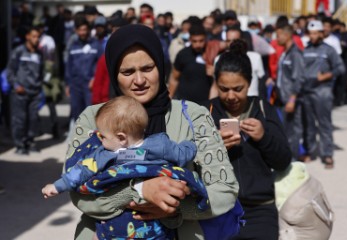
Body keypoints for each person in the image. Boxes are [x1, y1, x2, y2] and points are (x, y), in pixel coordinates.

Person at [65, 24, 239, 240]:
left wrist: (174, 207)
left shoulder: (194, 116)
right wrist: (138, 192)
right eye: (127, 72)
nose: (139, 81)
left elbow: (225, 190)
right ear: (114, 74)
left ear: (161, 67)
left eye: (147, 68)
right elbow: (75, 191)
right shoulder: (92, 118)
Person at [43, 96, 208, 240]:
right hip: (152, 223)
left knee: (100, 235)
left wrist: (58, 186)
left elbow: (82, 171)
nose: (98, 139)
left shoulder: (106, 154)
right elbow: (182, 154)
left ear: (121, 137)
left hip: (117, 225)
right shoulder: (160, 145)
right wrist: (191, 145)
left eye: (101, 135)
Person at [203, 39, 292, 240]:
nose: (231, 96)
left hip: (260, 211)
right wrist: (212, 146)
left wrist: (263, 137)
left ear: (250, 83)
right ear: (216, 83)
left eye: (238, 88)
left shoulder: (263, 109)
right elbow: (188, 161)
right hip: (216, 212)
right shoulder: (204, 112)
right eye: (224, 89)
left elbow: (283, 160)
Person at [302, 20, 345, 168]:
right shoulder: (304, 50)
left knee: (324, 124)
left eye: (316, 33)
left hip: (323, 91)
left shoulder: (329, 50)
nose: (313, 36)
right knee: (308, 124)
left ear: (321, 33)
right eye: (311, 33)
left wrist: (326, 76)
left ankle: (327, 154)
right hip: (307, 91)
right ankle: (310, 151)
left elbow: (340, 68)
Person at [7, 26, 44, 155]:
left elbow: (41, 72)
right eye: (34, 36)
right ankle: (20, 145)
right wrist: (16, 85)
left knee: (33, 119)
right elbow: (10, 71)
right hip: (20, 92)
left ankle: (30, 142)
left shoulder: (39, 54)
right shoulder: (18, 51)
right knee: (20, 119)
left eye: (38, 37)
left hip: (34, 92)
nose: (36, 39)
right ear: (27, 36)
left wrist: (39, 86)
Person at [274, 24, 306, 161]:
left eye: (278, 35)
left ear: (287, 35)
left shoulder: (295, 54)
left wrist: (292, 99)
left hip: (290, 99)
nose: (276, 39)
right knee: (286, 130)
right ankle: (289, 159)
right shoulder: (285, 53)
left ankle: (293, 160)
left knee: (293, 132)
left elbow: (299, 78)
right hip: (282, 98)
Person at [65, 17, 102, 121]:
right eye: (80, 30)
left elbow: (101, 65)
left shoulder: (96, 45)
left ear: (88, 30)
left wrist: (95, 79)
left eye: (85, 29)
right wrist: (68, 84)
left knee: (91, 114)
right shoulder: (73, 46)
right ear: (76, 31)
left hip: (90, 86)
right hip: (75, 86)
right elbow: (69, 66)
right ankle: (80, 136)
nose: (83, 32)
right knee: (77, 114)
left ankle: (92, 136)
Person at [168, 24, 212, 104]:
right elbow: (174, 78)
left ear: (205, 39)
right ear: (190, 39)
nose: (198, 44)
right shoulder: (183, 54)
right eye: (194, 41)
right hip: (185, 104)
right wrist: (169, 98)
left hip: (206, 104)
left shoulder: (212, 54)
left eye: (201, 41)